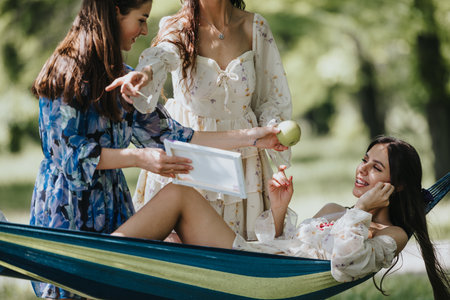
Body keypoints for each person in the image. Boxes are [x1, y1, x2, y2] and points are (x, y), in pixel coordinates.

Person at [29, 0, 286, 298]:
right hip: (68, 211)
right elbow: (69, 157)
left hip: (111, 208)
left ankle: (252, 281)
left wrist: (255, 137)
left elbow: (179, 137)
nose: (143, 30)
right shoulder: (66, 70)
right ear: (115, 12)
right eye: (140, 19)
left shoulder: (120, 76)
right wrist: (138, 157)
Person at [113, 136, 450, 298]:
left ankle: (108, 256)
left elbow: (345, 263)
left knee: (180, 195)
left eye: (376, 167)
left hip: (251, 275)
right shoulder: (336, 210)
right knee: (179, 195)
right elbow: (281, 252)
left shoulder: (393, 233)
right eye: (364, 160)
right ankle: (100, 256)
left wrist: (362, 212)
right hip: (256, 263)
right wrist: (277, 208)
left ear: (399, 184)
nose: (362, 170)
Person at [106, 0, 292, 241]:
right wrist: (145, 73)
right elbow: (162, 56)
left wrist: (272, 126)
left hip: (245, 161)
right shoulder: (177, 26)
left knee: (237, 258)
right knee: (180, 258)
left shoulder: (255, 27)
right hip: (190, 158)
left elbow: (271, 97)